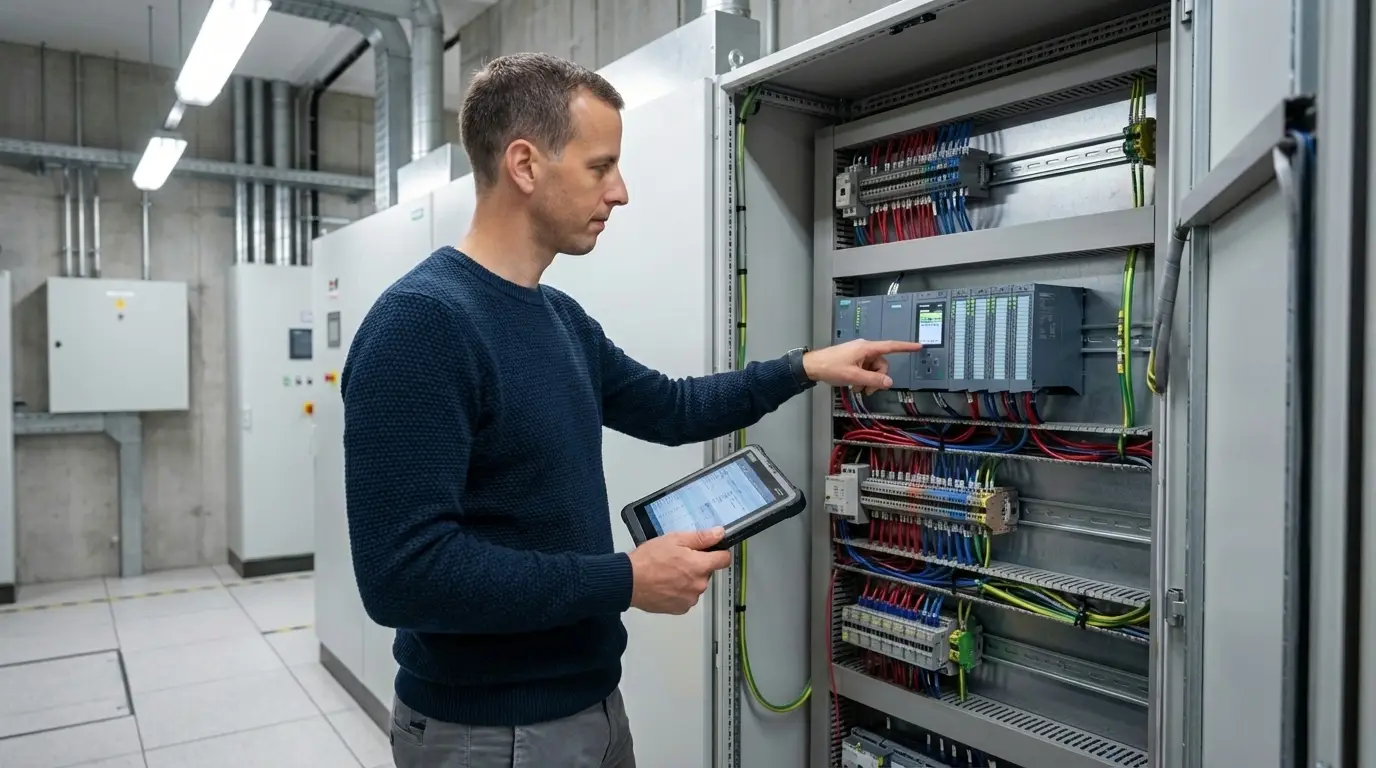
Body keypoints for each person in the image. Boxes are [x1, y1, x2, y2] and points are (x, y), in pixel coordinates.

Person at [341, 52, 921, 767]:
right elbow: (404, 575)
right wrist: (626, 579)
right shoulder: (422, 325)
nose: (620, 192)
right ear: (525, 165)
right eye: (599, 166)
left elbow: (672, 408)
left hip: (589, 707)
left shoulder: (557, 316)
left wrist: (805, 367)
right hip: (491, 736)